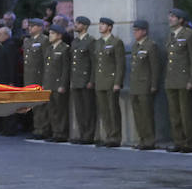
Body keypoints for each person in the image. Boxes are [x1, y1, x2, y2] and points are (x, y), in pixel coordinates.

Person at [162, 8, 192, 152]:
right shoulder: (170, 35)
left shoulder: (188, 35)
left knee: (185, 114)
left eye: (173, 17)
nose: (170, 19)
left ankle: (189, 143)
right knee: (174, 114)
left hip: (184, 80)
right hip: (171, 79)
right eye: (169, 16)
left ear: (181, 20)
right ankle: (178, 141)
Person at [128, 19, 163, 149]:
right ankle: (142, 138)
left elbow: (155, 67)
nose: (135, 33)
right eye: (134, 30)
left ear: (144, 31)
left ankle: (149, 140)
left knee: (146, 114)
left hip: (145, 85)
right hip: (135, 85)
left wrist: (154, 85)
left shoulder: (150, 45)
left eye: (137, 30)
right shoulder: (136, 46)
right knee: (138, 115)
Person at [93, 18, 126, 147]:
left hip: (111, 81)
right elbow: (97, 64)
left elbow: (120, 64)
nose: (100, 27)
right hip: (100, 81)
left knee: (113, 110)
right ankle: (108, 136)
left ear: (110, 27)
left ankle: (115, 137)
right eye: (100, 24)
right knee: (104, 111)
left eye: (103, 25)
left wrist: (118, 82)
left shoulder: (116, 42)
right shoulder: (98, 42)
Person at [69, 16, 97, 144]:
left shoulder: (90, 41)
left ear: (85, 26)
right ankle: (82, 133)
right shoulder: (75, 42)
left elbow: (94, 62)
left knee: (88, 109)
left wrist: (91, 80)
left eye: (78, 24)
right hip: (76, 80)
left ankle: (88, 135)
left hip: (86, 80)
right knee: (79, 110)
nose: (76, 25)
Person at [42, 24, 71, 142]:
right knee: (52, 109)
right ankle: (55, 131)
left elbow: (65, 69)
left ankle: (61, 133)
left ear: (59, 35)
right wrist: (44, 83)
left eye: (52, 34)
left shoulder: (65, 48)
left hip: (58, 84)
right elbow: (46, 68)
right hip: (49, 83)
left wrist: (63, 84)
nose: (50, 36)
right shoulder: (49, 48)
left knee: (60, 110)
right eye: (50, 33)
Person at [23, 19, 50, 139]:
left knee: (41, 106)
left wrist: (45, 80)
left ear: (40, 27)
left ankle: (43, 129)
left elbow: (45, 61)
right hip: (30, 78)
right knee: (33, 105)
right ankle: (37, 127)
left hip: (39, 77)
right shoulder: (28, 41)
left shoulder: (44, 40)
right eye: (29, 26)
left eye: (32, 26)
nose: (30, 28)